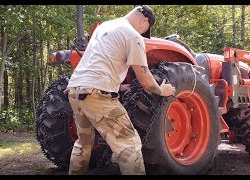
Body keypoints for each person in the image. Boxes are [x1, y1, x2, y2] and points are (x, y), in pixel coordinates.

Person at [65, 5, 176, 175]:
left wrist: (118, 86)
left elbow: (101, 60)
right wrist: (162, 90)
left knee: (84, 142)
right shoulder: (133, 35)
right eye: (145, 30)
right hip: (97, 93)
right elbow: (145, 78)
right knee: (129, 144)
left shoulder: (104, 27)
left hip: (75, 89)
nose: (142, 34)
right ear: (144, 20)